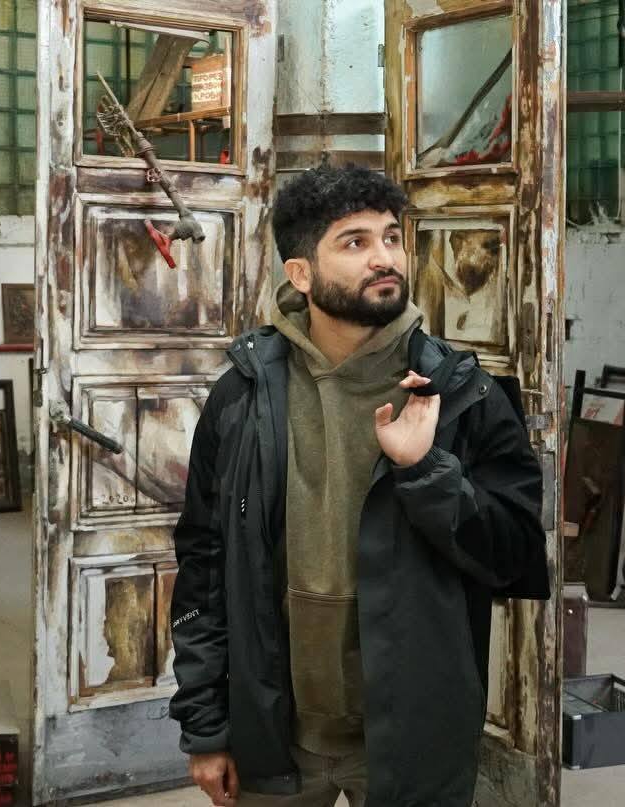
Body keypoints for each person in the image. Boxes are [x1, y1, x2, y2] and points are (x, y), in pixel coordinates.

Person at [168, 164, 548, 807]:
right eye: (355, 242)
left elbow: (514, 557)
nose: (385, 257)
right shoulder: (243, 397)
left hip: (410, 740)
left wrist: (426, 471)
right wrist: (205, 726)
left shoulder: (460, 394)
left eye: (392, 237)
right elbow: (204, 563)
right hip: (275, 733)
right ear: (300, 273)